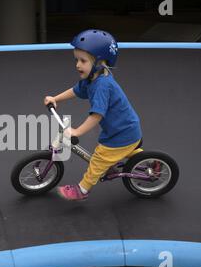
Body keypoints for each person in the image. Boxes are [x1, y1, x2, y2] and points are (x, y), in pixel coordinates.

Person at [44, 29, 143, 201]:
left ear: (99, 63)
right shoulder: (92, 79)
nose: (77, 65)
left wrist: (77, 132)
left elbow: (96, 115)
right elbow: (76, 90)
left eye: (83, 60)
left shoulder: (102, 86)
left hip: (121, 134)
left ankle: (82, 190)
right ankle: (147, 161)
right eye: (76, 60)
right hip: (124, 129)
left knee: (98, 160)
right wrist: (56, 98)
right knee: (114, 155)